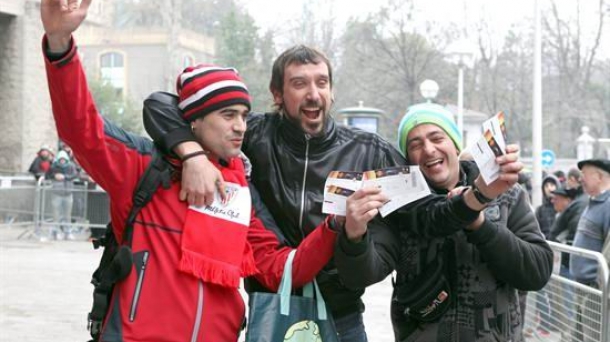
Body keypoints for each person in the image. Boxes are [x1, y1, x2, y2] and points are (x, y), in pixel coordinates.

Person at [40, 1, 386, 340]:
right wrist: (59, 45)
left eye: (243, 115)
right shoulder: (142, 167)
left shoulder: (240, 190)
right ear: (194, 121)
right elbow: (79, 128)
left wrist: (334, 224)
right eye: (227, 115)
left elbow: (281, 269)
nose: (240, 127)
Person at [140, 41, 527, 341]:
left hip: (342, 319)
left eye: (321, 83)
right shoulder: (251, 133)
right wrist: (191, 155)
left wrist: (477, 195)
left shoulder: (369, 152)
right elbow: (160, 105)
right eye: (299, 84)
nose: (313, 94)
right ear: (277, 94)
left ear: (332, 91)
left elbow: (425, 215)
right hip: (270, 311)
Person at [334, 104, 553, 342]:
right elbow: (361, 276)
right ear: (408, 159)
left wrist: (480, 225)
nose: (428, 149)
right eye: (415, 144)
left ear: (456, 145)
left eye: (437, 137)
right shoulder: (398, 206)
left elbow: (537, 272)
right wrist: (354, 237)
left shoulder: (505, 193)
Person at [569, 159, 610, 342]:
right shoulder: (593, 202)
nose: (580, 179)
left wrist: (598, 286)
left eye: (584, 174)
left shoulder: (608, 205)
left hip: (595, 291)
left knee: (594, 337)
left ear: (599, 176)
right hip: (582, 288)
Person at [45, 149, 78, 240]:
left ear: (66, 159)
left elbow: (75, 175)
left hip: (68, 193)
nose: (62, 161)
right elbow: (47, 176)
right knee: (56, 214)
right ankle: (56, 232)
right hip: (57, 193)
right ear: (58, 159)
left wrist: (65, 177)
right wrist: (54, 176)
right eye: (61, 159)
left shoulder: (71, 166)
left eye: (64, 159)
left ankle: (67, 232)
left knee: (67, 215)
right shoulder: (53, 167)